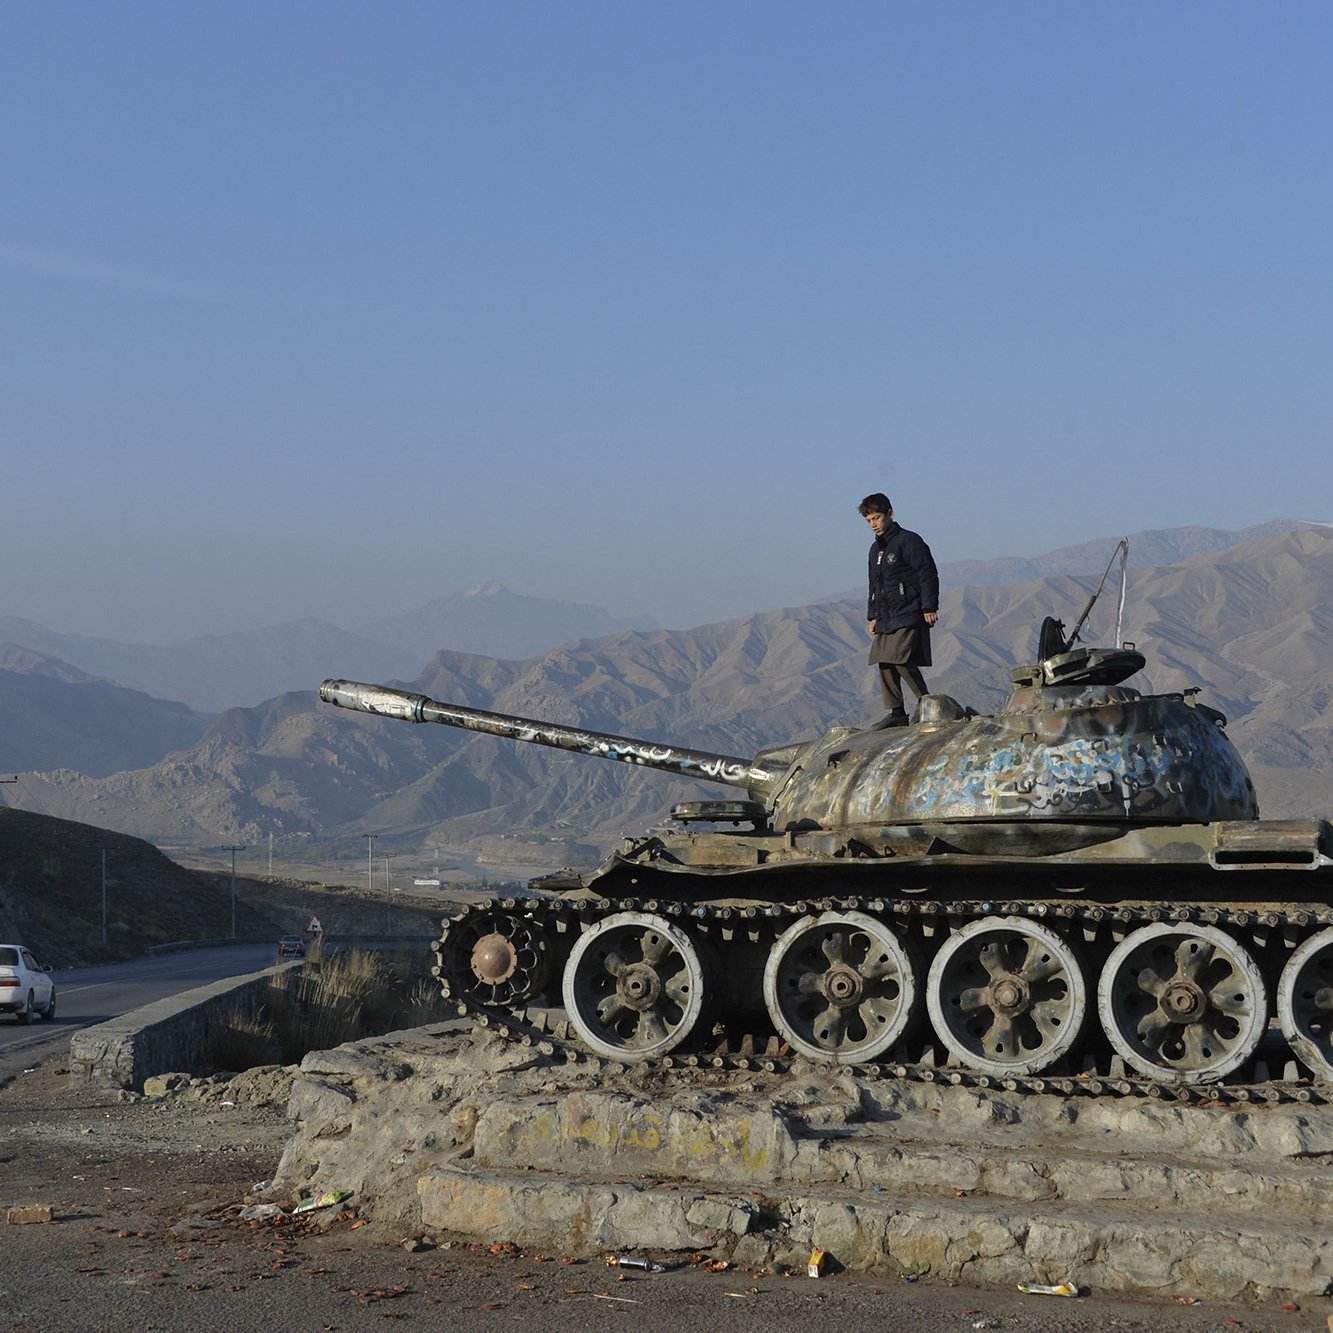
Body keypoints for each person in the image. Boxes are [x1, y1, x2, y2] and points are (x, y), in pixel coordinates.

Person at [859, 492, 939, 729]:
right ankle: (897, 713)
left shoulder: (909, 541)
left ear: (890, 514)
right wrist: (873, 616)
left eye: (876, 517)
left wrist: (929, 606)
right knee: (883, 661)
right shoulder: (875, 550)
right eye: (869, 520)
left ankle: (926, 702)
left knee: (899, 657)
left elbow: (927, 573)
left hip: (909, 609)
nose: (873, 524)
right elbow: (874, 585)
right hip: (887, 615)